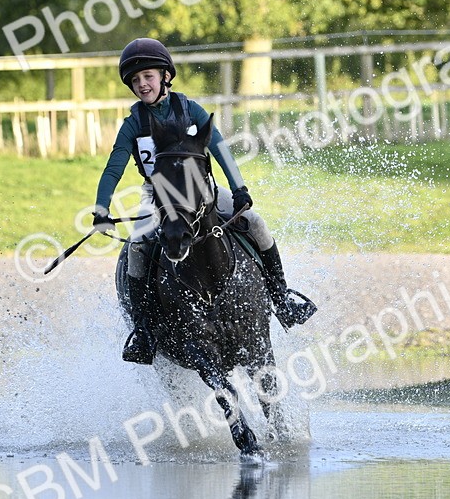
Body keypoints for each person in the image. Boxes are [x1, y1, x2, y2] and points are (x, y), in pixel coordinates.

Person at [92, 37, 316, 364]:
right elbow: (114, 167)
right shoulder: (132, 125)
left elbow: (221, 149)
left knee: (255, 223)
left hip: (201, 188)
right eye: (136, 80)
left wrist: (238, 189)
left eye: (148, 77)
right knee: (138, 246)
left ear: (165, 76)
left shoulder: (189, 110)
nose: (142, 84)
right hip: (158, 196)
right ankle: (144, 332)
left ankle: (281, 299)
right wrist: (101, 207)